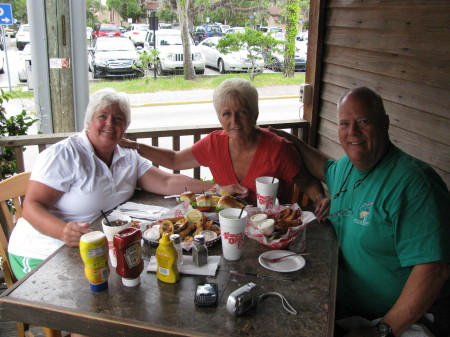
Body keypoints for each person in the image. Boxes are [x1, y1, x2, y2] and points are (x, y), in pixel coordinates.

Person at [8, 88, 243, 280]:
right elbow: (31, 206)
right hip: (44, 250)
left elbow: (167, 180)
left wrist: (218, 188)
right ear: (89, 121)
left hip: (99, 246)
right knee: (90, 304)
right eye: (103, 116)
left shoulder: (126, 154)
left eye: (118, 118)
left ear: (126, 125)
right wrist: (62, 231)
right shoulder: (65, 155)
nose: (110, 124)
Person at [270, 87, 450, 337]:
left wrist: (383, 330)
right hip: (347, 308)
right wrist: (288, 139)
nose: (352, 132)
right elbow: (323, 167)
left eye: (363, 122)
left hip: (405, 321)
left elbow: (433, 270)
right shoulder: (346, 167)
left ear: (384, 123)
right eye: (344, 124)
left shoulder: (415, 184)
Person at [120, 78, 330, 220]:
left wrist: (320, 200)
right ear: (219, 117)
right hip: (226, 228)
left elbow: (309, 183)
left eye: (242, 112)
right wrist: (136, 146)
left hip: (269, 230)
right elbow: (175, 160)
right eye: (226, 114)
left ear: (255, 114)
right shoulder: (214, 143)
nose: (234, 121)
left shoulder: (278, 150)